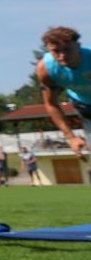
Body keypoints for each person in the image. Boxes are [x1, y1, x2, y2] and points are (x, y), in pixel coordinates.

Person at [35, 26, 91, 160]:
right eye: (56, 51)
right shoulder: (46, 69)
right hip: (85, 107)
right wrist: (71, 138)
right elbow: (51, 104)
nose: (62, 55)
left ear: (78, 46)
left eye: (67, 49)